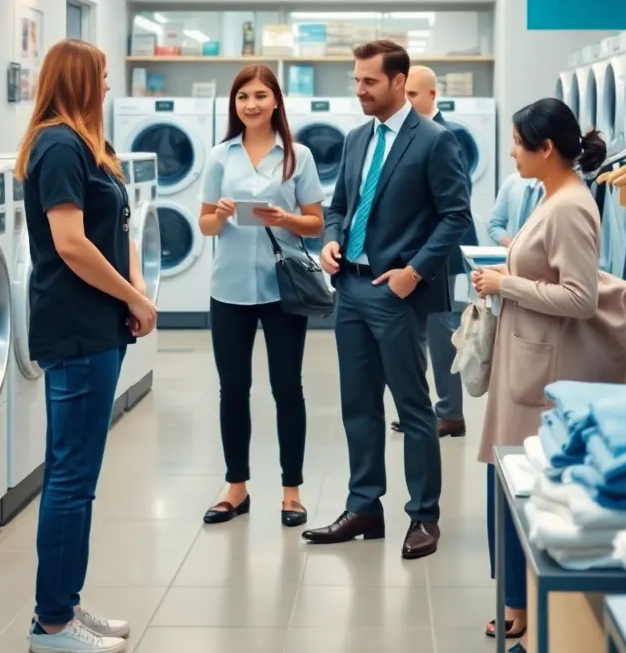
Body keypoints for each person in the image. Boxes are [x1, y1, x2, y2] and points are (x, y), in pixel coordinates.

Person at [302, 40, 472, 560]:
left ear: (399, 82)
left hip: (395, 290)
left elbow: (456, 216)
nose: (359, 90)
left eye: (369, 81)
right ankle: (364, 507)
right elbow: (339, 206)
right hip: (350, 287)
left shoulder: (435, 140)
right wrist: (331, 240)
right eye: (356, 80)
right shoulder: (357, 139)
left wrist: (414, 272)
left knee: (413, 406)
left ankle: (424, 515)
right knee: (357, 403)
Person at [471, 98, 626, 641]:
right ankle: (516, 600)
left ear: (545, 149)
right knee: (506, 475)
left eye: (519, 144)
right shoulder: (552, 196)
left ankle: (521, 604)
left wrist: (507, 283)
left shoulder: (569, 207)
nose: (512, 153)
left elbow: (579, 298)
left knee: (520, 481)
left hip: (544, 365)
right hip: (529, 354)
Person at [15, 39, 158, 653]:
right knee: (71, 478)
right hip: (75, 329)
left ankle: (65, 604)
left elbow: (119, 228)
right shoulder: (57, 146)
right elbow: (71, 243)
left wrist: (135, 288)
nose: (106, 85)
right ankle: (51, 624)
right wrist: (133, 298)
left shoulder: (91, 145)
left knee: (79, 476)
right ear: (76, 80)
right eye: (100, 76)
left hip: (98, 325)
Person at [198, 65, 325, 528]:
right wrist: (221, 215)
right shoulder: (220, 156)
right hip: (229, 289)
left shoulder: (297, 156)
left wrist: (285, 219)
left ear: (275, 101)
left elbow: (316, 223)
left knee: (287, 388)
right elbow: (205, 224)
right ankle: (236, 487)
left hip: (281, 290)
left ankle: (292, 492)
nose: (250, 105)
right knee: (232, 389)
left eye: (259, 95)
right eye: (242, 97)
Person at [389, 63, 477, 439]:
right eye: (403, 94)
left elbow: (454, 205)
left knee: (442, 334)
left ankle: (450, 413)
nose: (406, 101)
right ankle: (423, 411)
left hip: (441, 253)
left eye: (413, 94)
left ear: (432, 95)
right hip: (412, 251)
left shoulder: (446, 135)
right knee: (414, 335)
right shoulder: (406, 134)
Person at [488, 171, 544, 248]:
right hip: (513, 252)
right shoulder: (512, 182)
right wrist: (513, 244)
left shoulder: (557, 191)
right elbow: (494, 225)